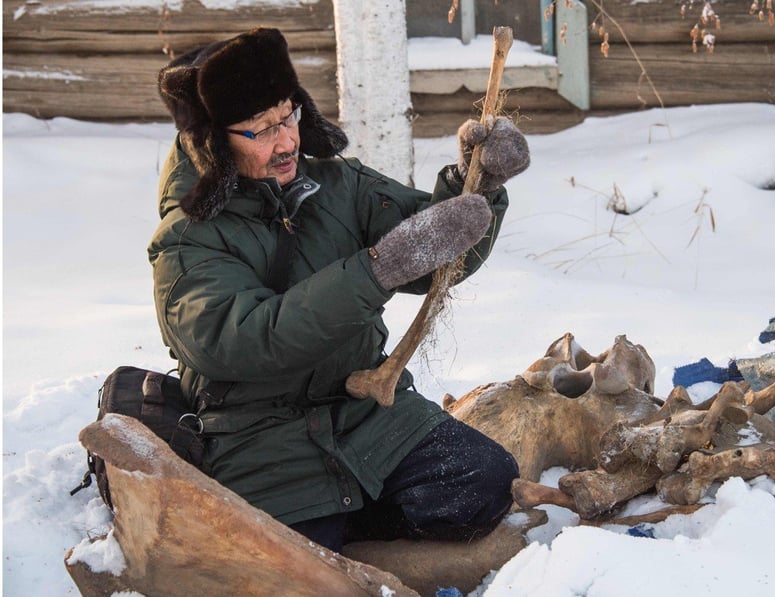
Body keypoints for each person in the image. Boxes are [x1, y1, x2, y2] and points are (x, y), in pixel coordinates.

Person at [149, 27, 530, 553]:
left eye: (289, 117)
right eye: (261, 130)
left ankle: (348, 523)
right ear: (214, 144)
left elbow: (431, 248)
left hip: (363, 412)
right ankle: (330, 529)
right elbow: (251, 341)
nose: (287, 142)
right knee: (291, 568)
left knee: (486, 481)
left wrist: (475, 181)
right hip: (256, 438)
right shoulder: (185, 241)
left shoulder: (336, 183)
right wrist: (377, 269)